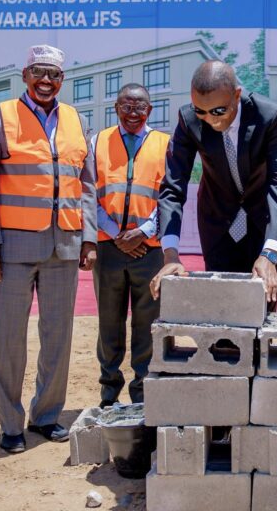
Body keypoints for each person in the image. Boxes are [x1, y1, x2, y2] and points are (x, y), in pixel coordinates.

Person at [0, 45, 97, 454]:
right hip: (12, 247)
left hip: (64, 244)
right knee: (9, 340)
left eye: (55, 75)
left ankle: (45, 416)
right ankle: (10, 423)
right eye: (39, 73)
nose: (47, 82)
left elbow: (88, 184)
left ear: (63, 80)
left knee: (58, 337)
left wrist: (89, 238)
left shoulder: (77, 120)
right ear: (25, 75)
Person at [150, 60, 277, 307]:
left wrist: (270, 253)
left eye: (219, 111)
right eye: (201, 111)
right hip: (218, 222)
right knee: (219, 308)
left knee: (261, 309)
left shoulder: (268, 115)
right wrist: (170, 254)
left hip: (265, 221)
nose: (210, 119)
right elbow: (173, 189)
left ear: (237, 95)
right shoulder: (188, 119)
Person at [92, 83, 168, 408]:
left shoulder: (166, 144)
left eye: (139, 107)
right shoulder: (97, 142)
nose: (133, 113)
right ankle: (109, 396)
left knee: (146, 327)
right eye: (126, 106)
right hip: (110, 250)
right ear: (116, 108)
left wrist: (143, 232)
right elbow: (88, 194)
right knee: (109, 324)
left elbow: (170, 197)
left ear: (149, 110)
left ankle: (142, 398)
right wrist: (117, 235)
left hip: (148, 251)